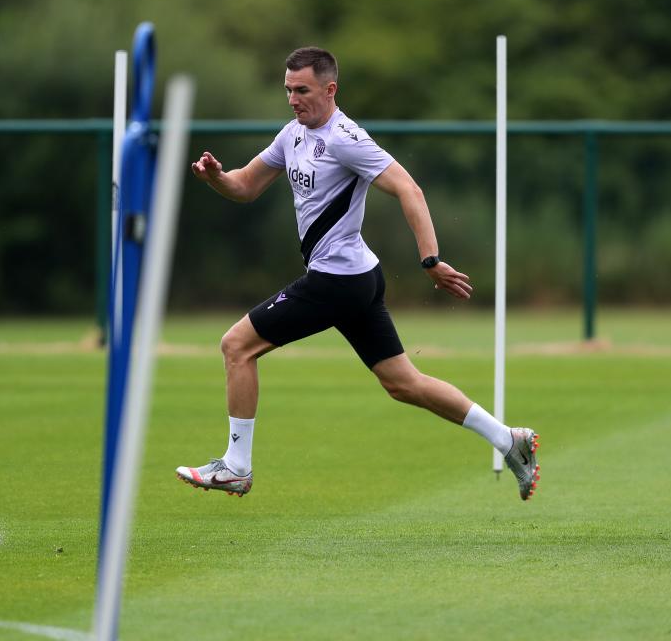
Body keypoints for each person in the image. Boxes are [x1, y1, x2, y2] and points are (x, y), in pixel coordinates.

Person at [175, 47, 539, 501]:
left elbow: (409, 188)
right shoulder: (291, 135)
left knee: (236, 346)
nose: (292, 99)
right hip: (358, 277)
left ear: (330, 89)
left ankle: (236, 467)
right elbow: (245, 186)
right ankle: (509, 439)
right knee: (403, 384)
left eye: (302, 90)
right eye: (288, 89)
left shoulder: (347, 138)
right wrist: (215, 177)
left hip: (336, 282)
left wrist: (431, 260)